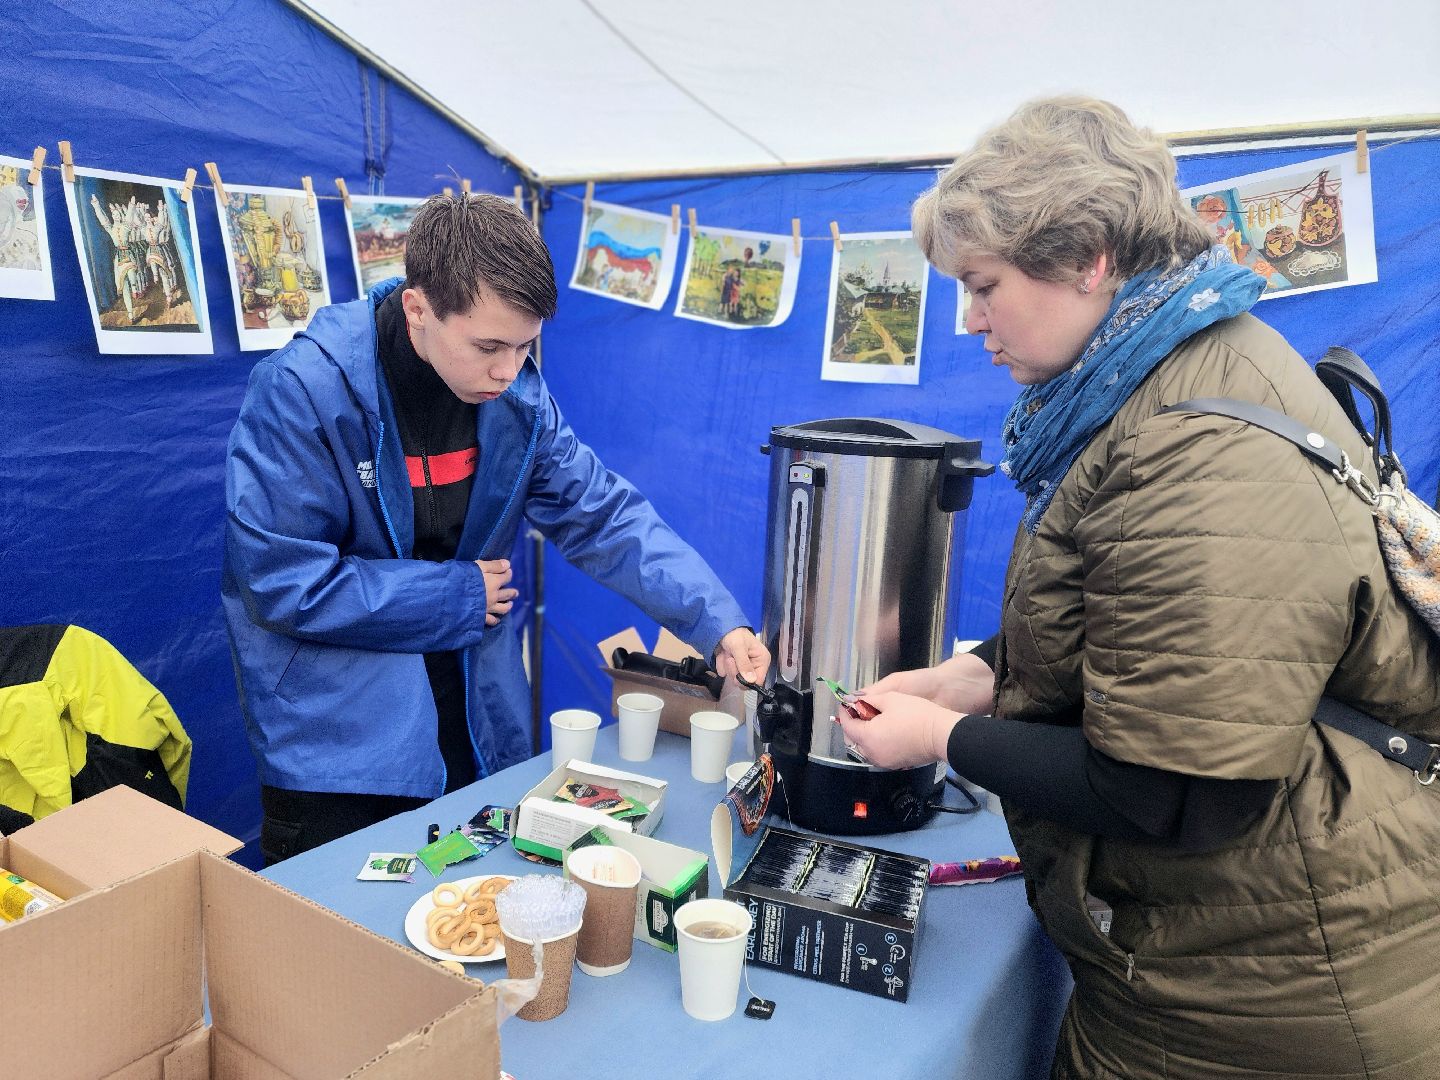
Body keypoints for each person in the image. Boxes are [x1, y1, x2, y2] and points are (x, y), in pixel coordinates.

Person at [840, 98, 1440, 1079]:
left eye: (984, 286)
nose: (972, 319)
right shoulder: (1158, 384)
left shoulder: (1196, 443)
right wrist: (977, 677)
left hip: (1270, 997)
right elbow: (1146, 629)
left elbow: (1177, 792)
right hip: (1217, 960)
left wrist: (941, 739)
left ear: (1088, 259)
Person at [223, 192, 769, 865]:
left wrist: (717, 622)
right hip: (340, 753)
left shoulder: (519, 400)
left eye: (524, 345)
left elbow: (604, 515)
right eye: (488, 346)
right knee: (341, 925)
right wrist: (456, 596)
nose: (509, 371)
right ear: (418, 309)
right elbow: (282, 583)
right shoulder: (302, 392)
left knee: (476, 912)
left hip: (476, 716)